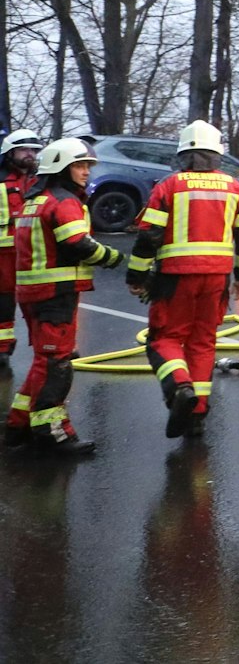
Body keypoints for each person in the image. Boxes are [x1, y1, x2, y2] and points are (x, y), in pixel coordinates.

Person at [126, 120, 239, 440]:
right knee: (202, 342)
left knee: (164, 339)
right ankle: (196, 416)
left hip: (175, 278)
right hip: (216, 279)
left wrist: (137, 275)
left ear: (183, 154)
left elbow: (149, 235)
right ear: (217, 155)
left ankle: (179, 388)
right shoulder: (236, 189)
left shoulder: (169, 186)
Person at [8, 137, 126, 455]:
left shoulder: (34, 201)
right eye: (79, 165)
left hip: (33, 293)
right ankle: (52, 433)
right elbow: (77, 243)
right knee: (57, 366)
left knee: (43, 363)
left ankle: (18, 425)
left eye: (87, 165)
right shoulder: (63, 202)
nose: (86, 171)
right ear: (61, 168)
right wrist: (114, 258)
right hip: (55, 295)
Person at [0, 129, 43, 374]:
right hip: (3, 255)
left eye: (34, 150)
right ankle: (2, 349)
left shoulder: (39, 181)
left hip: (33, 252)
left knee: (38, 301)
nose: (30, 154)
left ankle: (47, 346)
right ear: (10, 153)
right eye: (24, 150)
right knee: (3, 302)